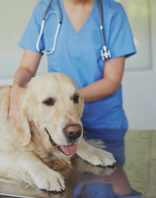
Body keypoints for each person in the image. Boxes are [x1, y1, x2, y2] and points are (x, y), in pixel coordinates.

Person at [9, 0, 136, 164]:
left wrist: (64, 101)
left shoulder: (112, 12)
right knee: (67, 184)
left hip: (104, 123)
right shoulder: (45, 10)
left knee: (107, 179)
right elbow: (26, 68)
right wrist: (15, 92)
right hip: (56, 125)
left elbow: (111, 81)